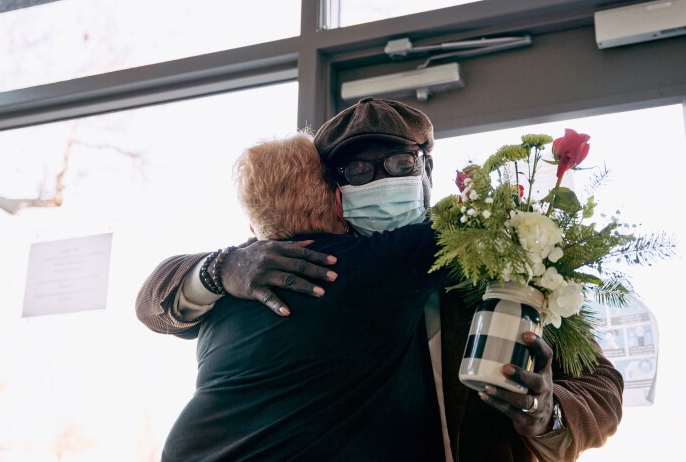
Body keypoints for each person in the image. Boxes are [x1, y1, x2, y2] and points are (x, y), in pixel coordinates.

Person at [136, 97, 624, 462]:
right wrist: (219, 269)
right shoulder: (287, 266)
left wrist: (547, 414)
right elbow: (153, 302)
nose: (381, 181)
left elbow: (602, 385)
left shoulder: (502, 261)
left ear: (427, 168)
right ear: (334, 190)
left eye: (399, 164)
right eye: (358, 170)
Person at [160, 132, 453, 461]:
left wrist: (222, 266)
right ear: (339, 203)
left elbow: (158, 307)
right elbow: (487, 226)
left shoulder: (228, 290)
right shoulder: (383, 261)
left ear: (255, 230)